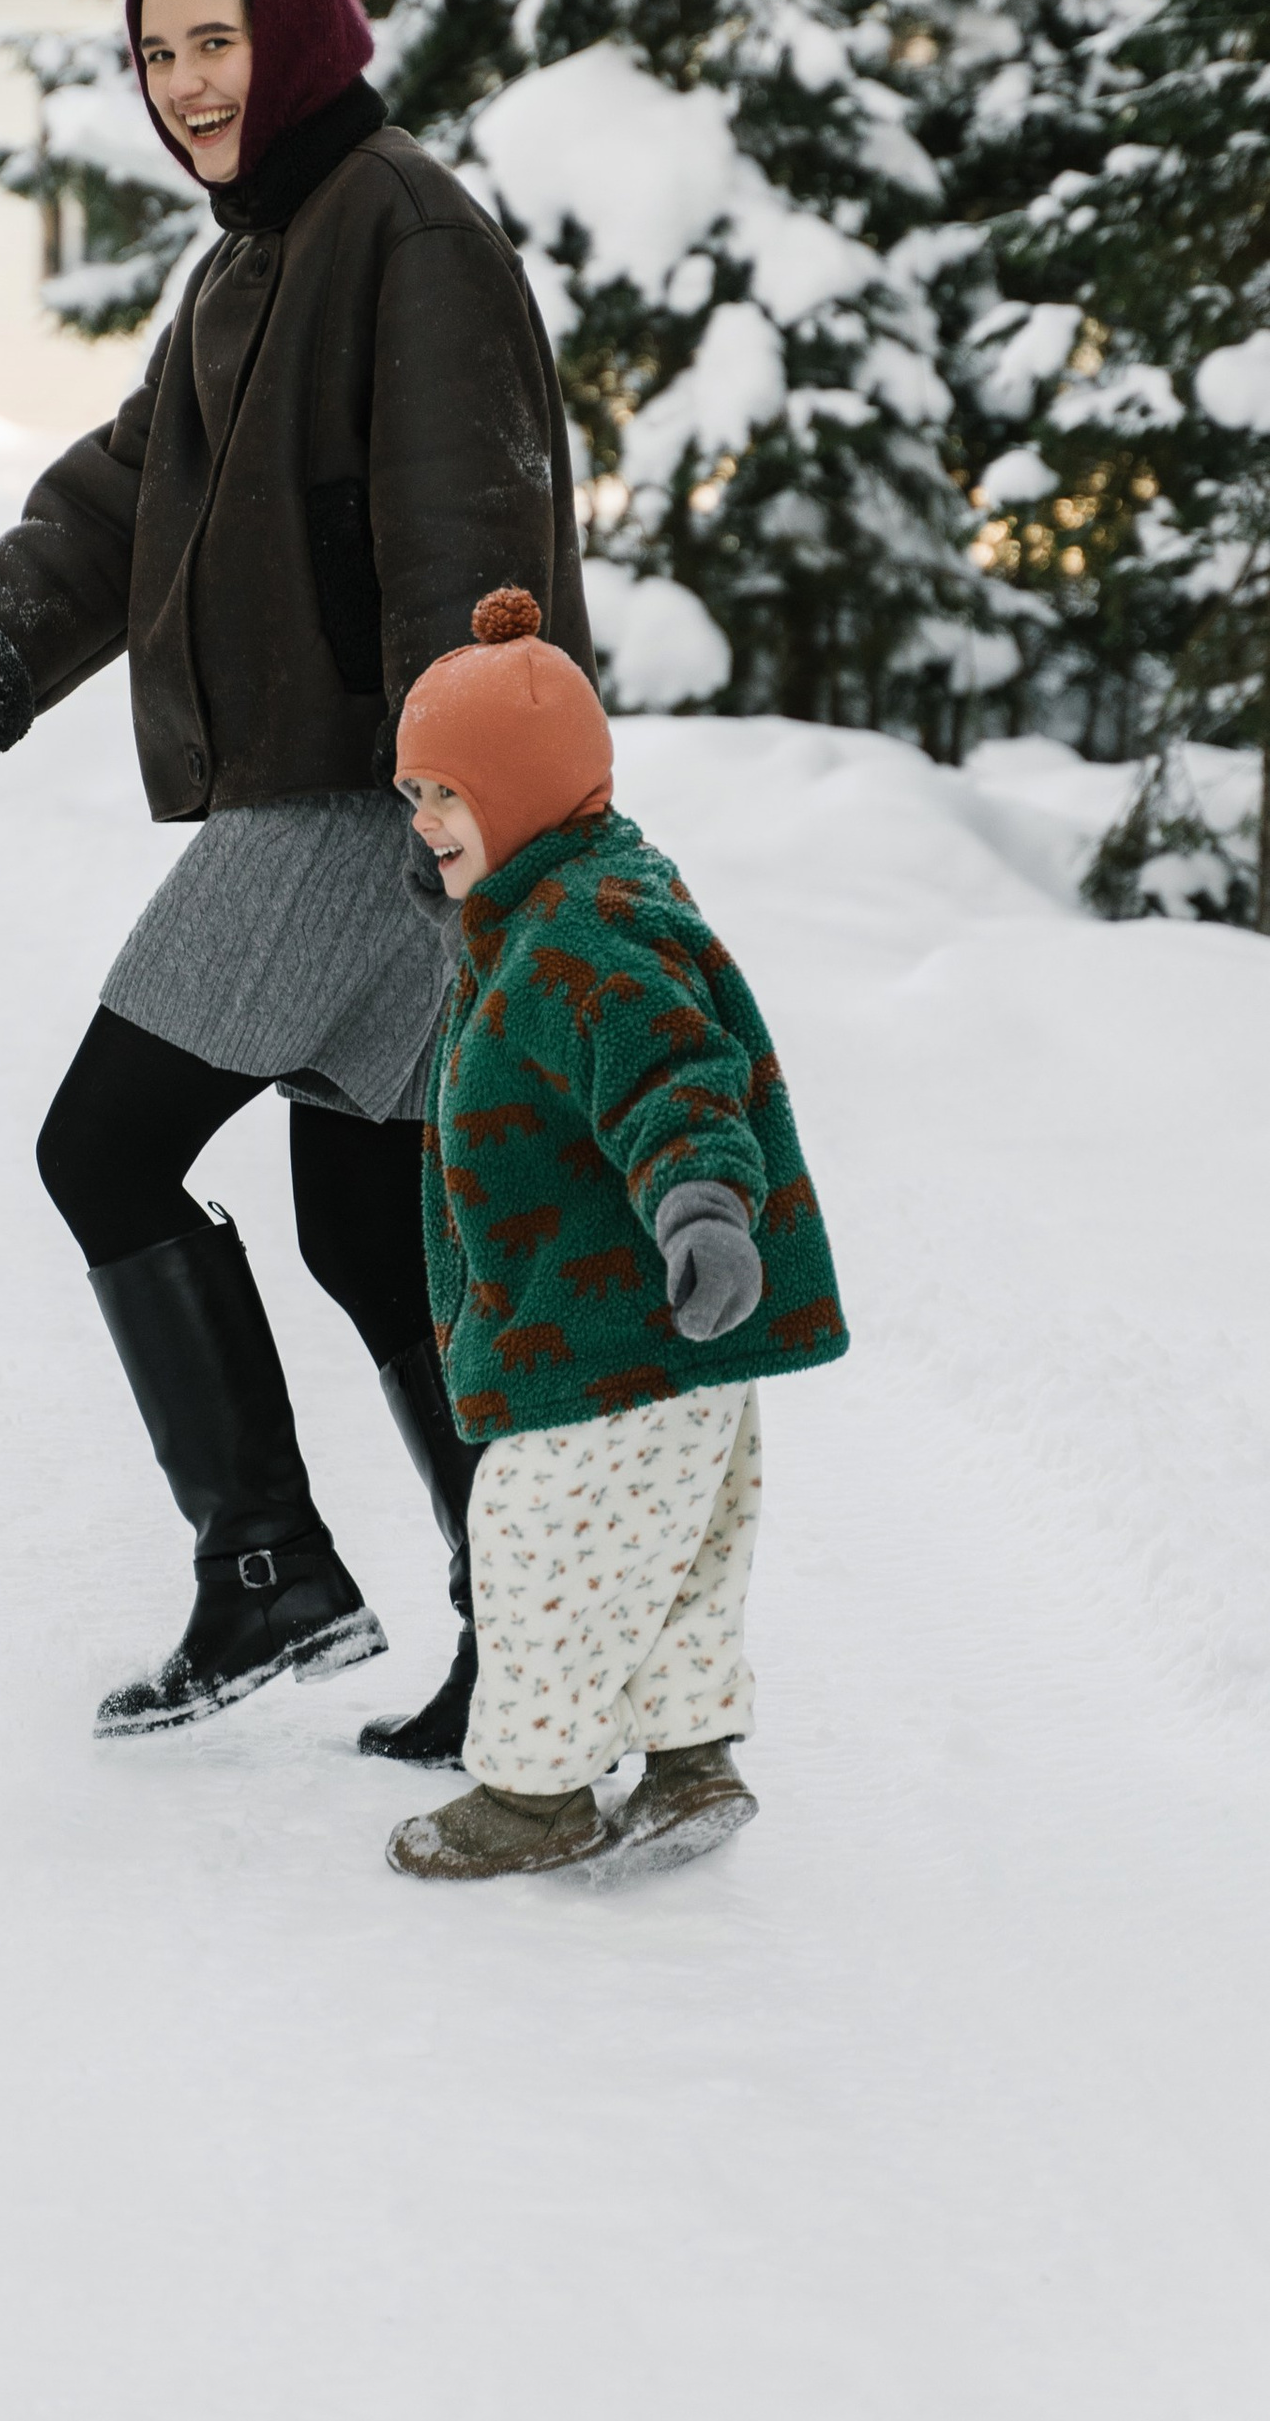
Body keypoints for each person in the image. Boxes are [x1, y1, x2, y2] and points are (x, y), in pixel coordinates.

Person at [0, 0, 590, 1752]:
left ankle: (269, 1572)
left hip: (373, 806)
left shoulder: (403, 228)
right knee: (375, 1239)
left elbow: (471, 546)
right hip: (365, 804)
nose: (187, 83)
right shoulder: (253, 261)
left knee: (106, 1143)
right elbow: (119, 496)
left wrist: (457, 826)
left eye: (214, 41)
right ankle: (526, 1629)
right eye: (157, 54)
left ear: (298, 35)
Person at [384, 589, 848, 1881]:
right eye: (412, 793)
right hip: (651, 1337)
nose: (420, 822)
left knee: (539, 1549)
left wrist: (705, 1210)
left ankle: (536, 1800)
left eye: (447, 793)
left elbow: (675, 1083)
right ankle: (689, 1759)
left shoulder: (588, 934)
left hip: (625, 1328)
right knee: (675, 1555)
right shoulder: (557, 901)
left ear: (524, 790)